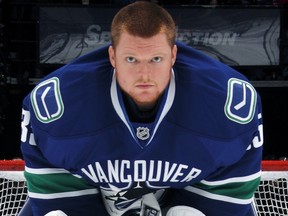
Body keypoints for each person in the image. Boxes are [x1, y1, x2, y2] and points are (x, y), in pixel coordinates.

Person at [20, 1, 263, 215]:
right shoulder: (60, 105)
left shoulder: (224, 105)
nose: (144, 74)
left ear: (173, 55)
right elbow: (51, 181)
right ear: (112, 57)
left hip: (189, 195)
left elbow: (231, 190)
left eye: (156, 59)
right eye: (131, 59)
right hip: (87, 192)